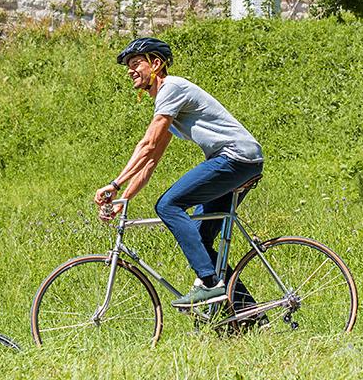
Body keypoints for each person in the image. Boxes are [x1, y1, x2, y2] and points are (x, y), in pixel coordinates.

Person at [95, 36, 264, 309]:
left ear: (157, 64)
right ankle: (249, 316)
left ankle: (210, 284)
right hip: (239, 161)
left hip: (236, 158)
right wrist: (123, 199)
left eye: (136, 63)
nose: (130, 70)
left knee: (168, 204)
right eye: (129, 65)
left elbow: (147, 144)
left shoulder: (171, 88)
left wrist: (114, 184)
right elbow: (151, 160)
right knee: (199, 236)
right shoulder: (168, 103)